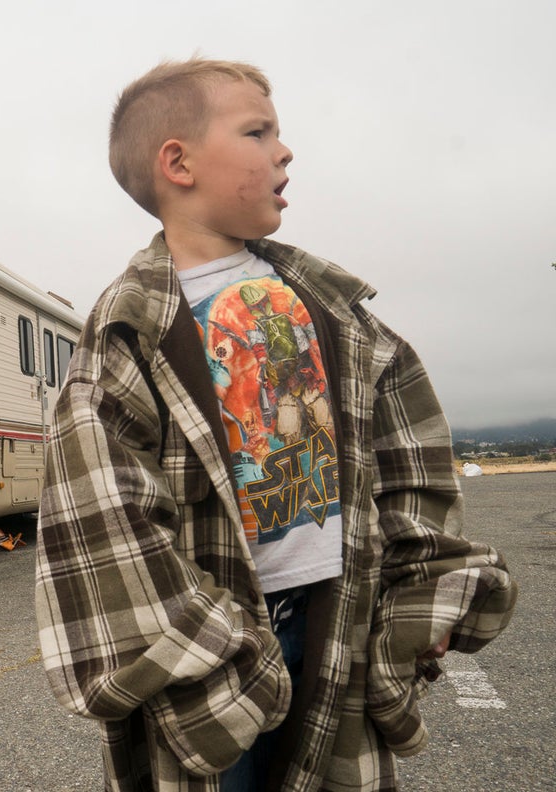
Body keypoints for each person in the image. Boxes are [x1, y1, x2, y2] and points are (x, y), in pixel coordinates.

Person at [34, 58, 516, 792]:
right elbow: (103, 510)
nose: (284, 151)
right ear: (179, 163)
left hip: (335, 621)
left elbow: (406, 456)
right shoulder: (132, 329)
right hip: (216, 648)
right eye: (258, 131)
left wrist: (424, 584)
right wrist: (204, 656)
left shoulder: (333, 310)